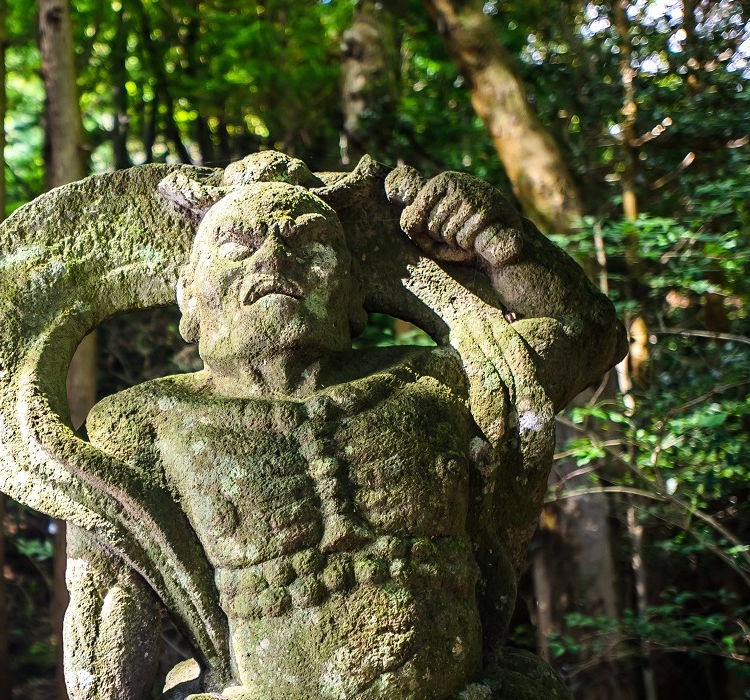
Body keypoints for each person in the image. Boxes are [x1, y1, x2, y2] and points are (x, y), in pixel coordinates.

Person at [62, 153, 625, 700]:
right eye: (237, 244)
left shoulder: (437, 383)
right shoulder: (141, 425)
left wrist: (501, 243)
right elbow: (107, 643)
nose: (273, 260)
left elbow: (591, 336)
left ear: (357, 292)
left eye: (308, 242)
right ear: (188, 294)